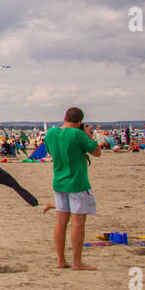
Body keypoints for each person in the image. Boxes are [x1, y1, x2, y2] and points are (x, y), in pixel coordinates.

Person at [44, 107, 101, 270]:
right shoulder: (78, 135)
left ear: (65, 117)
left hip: (59, 181)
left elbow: (50, 150)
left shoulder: (51, 133)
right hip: (77, 182)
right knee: (77, 223)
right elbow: (97, 152)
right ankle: (77, 262)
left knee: (61, 222)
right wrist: (88, 134)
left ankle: (61, 259)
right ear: (80, 121)